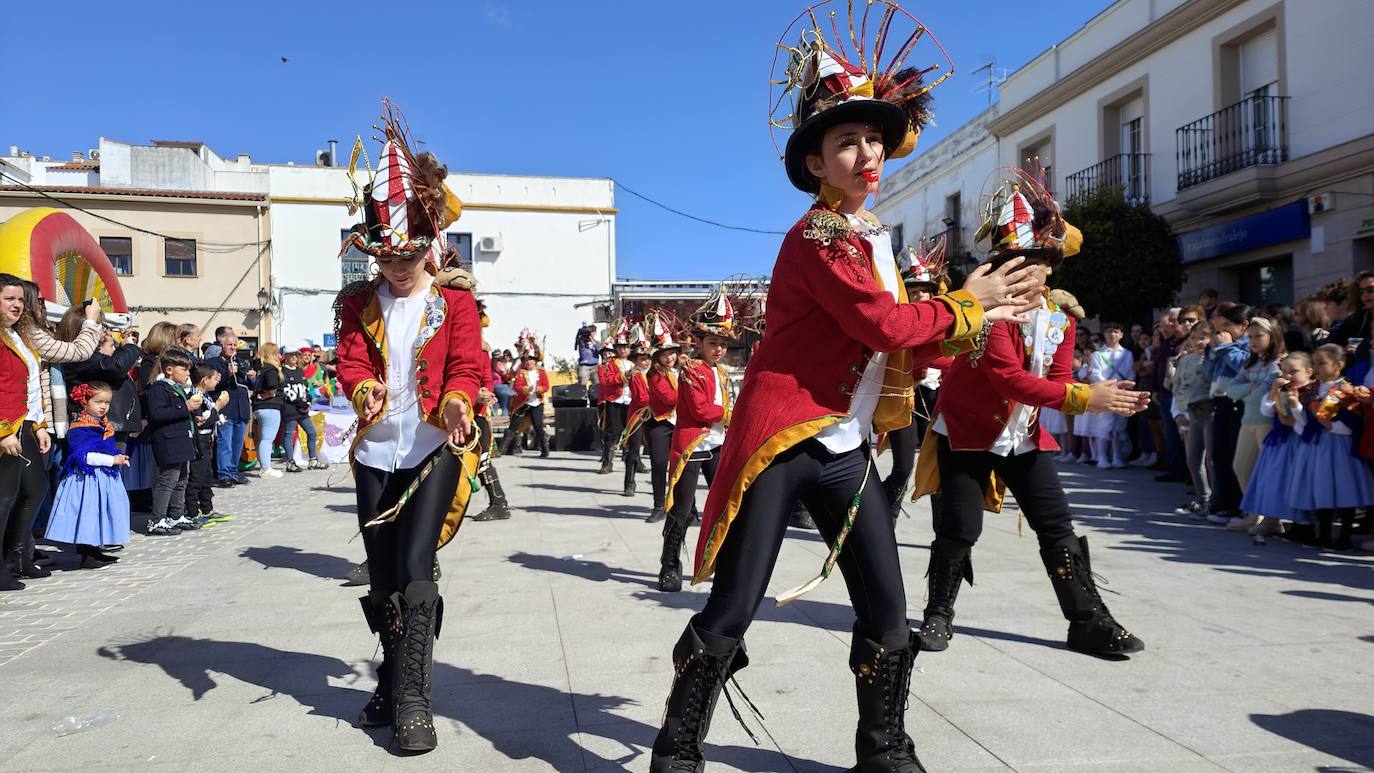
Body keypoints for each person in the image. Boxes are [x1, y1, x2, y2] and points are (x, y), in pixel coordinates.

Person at [649, 14, 1038, 768]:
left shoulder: (873, 237)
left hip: (845, 447)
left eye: (874, 140)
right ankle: (677, 742)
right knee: (735, 606)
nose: (868, 155)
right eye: (847, 142)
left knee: (888, 607)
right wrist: (969, 302)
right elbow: (882, 323)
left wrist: (984, 319)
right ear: (816, 162)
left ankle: (883, 748)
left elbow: (902, 341)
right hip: (783, 440)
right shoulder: (818, 237)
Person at [335, 110, 483, 754]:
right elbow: (350, 361)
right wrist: (363, 388)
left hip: (431, 449)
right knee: (382, 575)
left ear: (430, 244)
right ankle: (392, 678)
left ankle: (414, 698)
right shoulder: (356, 305)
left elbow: (467, 366)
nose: (398, 266)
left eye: (409, 254)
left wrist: (457, 404)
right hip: (374, 452)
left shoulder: (456, 302)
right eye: (387, 256)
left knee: (417, 565)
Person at [882, 236, 949, 519]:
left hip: (939, 401)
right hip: (906, 399)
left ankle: (943, 533)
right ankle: (884, 522)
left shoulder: (944, 319)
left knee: (939, 469)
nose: (921, 296)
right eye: (914, 291)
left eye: (925, 291)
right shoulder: (899, 322)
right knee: (903, 467)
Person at [1287, 344, 1374, 549]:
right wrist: (1295, 406)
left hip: (1339, 446)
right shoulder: (1312, 391)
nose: (1317, 368)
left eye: (1322, 363)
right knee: (1321, 488)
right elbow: (1306, 421)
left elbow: (1353, 423)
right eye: (1315, 363)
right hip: (1317, 446)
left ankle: (1344, 536)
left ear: (1339, 365)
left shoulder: (1347, 390)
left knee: (1345, 489)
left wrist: (1330, 425)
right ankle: (1323, 534)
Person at [0, 276, 52, 589]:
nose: (17, 305)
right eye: (9, 299)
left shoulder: (18, 336)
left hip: (26, 424)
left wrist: (40, 424)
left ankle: (17, 558)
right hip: (7, 428)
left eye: (20, 299)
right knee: (3, 498)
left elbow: (31, 387)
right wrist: (2, 430)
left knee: (34, 489)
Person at [44, 382, 131, 567]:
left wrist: (117, 457)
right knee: (88, 512)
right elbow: (84, 456)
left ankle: (95, 551)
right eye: (98, 402)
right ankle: (87, 555)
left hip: (101, 478)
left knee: (99, 512)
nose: (104, 406)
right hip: (87, 479)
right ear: (84, 401)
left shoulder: (101, 423)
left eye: (107, 402)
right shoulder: (81, 427)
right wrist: (112, 460)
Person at [1238, 352, 1313, 539]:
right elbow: (1266, 410)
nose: (1288, 376)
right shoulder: (1281, 389)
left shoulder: (1311, 392)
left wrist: (1294, 408)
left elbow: (1307, 421)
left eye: (1294, 371)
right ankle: (1271, 520)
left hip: (1299, 443)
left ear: (1309, 372)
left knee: (1298, 483)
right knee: (1273, 480)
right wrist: (1274, 391)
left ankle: (1303, 524)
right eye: (1284, 371)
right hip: (1279, 442)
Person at [1223, 316, 1284, 531]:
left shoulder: (1278, 363)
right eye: (1250, 337)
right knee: (1241, 466)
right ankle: (1253, 514)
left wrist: (1247, 390)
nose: (1253, 341)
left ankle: (1272, 519)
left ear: (1272, 337)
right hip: (1248, 421)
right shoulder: (1251, 362)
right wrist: (1251, 388)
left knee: (1268, 471)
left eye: (1258, 336)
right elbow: (1230, 391)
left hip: (1268, 423)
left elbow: (1261, 397)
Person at [144, 348, 200, 536]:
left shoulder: (176, 388)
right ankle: (157, 519)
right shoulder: (159, 388)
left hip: (182, 441)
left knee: (182, 479)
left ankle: (176, 514)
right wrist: (185, 407)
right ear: (169, 370)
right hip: (169, 442)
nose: (187, 373)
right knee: (168, 480)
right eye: (183, 369)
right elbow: (157, 414)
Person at [1204, 303, 1252, 521]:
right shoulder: (1224, 344)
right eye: (1221, 325)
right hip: (1221, 401)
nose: (1223, 330)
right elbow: (1208, 374)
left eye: (1228, 325)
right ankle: (1225, 504)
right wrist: (1211, 352)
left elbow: (1243, 366)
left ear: (1244, 325)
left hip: (1239, 403)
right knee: (1219, 455)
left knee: (1235, 456)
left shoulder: (1247, 344)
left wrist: (1226, 347)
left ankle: (1238, 506)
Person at [1169, 323, 1215, 518]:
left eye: (1202, 338)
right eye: (1194, 338)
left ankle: (1217, 501)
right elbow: (1177, 385)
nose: (1198, 342)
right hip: (1192, 412)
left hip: (1211, 411)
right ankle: (1203, 499)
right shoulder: (1186, 360)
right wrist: (1180, 411)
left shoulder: (1215, 359)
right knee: (1193, 459)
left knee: (1212, 460)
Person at [642, 312, 680, 524]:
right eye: (665, 354)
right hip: (660, 422)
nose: (670, 357)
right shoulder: (654, 374)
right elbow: (669, 398)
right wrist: (692, 395)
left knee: (682, 466)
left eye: (672, 353)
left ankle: (685, 506)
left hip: (681, 422)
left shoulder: (682, 370)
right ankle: (658, 506)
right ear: (657, 357)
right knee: (659, 464)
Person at [206, 326, 253, 487]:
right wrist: (228, 374)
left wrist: (253, 378)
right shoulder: (213, 363)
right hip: (226, 409)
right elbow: (213, 386)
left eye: (235, 345)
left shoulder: (241, 362)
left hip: (241, 410)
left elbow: (250, 386)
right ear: (222, 346)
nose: (233, 348)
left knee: (237, 444)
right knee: (225, 444)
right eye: (229, 345)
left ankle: (233, 471)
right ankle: (223, 474)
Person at [185, 363, 229, 525]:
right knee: (196, 477)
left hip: (207, 440)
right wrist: (218, 406)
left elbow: (209, 417)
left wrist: (218, 416)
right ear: (205, 380)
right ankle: (192, 511)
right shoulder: (194, 397)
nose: (217, 381)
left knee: (206, 476)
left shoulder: (206, 396)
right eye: (214, 378)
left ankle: (207, 509)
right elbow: (201, 421)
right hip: (198, 441)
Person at [618, 331, 653, 497]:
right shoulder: (635, 375)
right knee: (633, 450)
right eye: (642, 359)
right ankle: (629, 483)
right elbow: (641, 399)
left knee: (658, 452)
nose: (646, 362)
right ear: (636, 360)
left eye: (648, 358)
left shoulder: (655, 373)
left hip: (655, 414)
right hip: (638, 415)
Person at [279, 347, 324, 472]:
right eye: (291, 355)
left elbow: (305, 388)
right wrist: (300, 402)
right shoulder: (282, 372)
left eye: (296, 355)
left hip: (302, 409)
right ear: (285, 356)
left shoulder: (299, 371)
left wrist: (308, 401)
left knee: (312, 432)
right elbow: (285, 391)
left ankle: (313, 459)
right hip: (290, 408)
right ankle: (290, 462)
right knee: (289, 434)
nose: (294, 357)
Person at [500, 352, 551, 458]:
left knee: (538, 426)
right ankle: (502, 450)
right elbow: (517, 387)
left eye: (531, 360)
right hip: (522, 403)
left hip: (537, 403)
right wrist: (527, 390)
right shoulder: (520, 373)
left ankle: (545, 449)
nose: (529, 362)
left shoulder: (541, 373)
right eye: (527, 360)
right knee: (513, 426)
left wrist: (538, 389)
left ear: (535, 361)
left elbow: (546, 386)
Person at [596, 328, 632, 474]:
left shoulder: (634, 363)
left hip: (631, 401)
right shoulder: (610, 364)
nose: (623, 350)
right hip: (615, 401)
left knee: (631, 433)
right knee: (612, 432)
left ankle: (634, 461)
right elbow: (606, 380)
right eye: (620, 347)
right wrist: (623, 376)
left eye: (626, 347)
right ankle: (607, 462)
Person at [249, 342, 285, 478]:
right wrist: (270, 393)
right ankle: (266, 469)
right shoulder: (270, 368)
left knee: (263, 439)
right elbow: (272, 385)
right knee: (267, 439)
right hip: (270, 406)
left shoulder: (261, 368)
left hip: (260, 407)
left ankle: (264, 465)